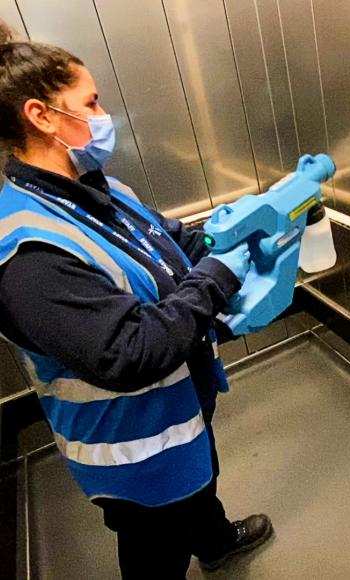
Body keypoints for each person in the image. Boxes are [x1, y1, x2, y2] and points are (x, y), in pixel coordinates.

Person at [0, 22, 272, 579]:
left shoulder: (99, 187)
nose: (103, 116)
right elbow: (127, 353)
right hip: (133, 446)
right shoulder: (27, 251)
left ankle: (215, 541)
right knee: (156, 545)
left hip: (180, 409)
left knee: (200, 474)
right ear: (42, 116)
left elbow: (173, 242)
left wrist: (238, 234)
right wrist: (217, 277)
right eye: (90, 101)